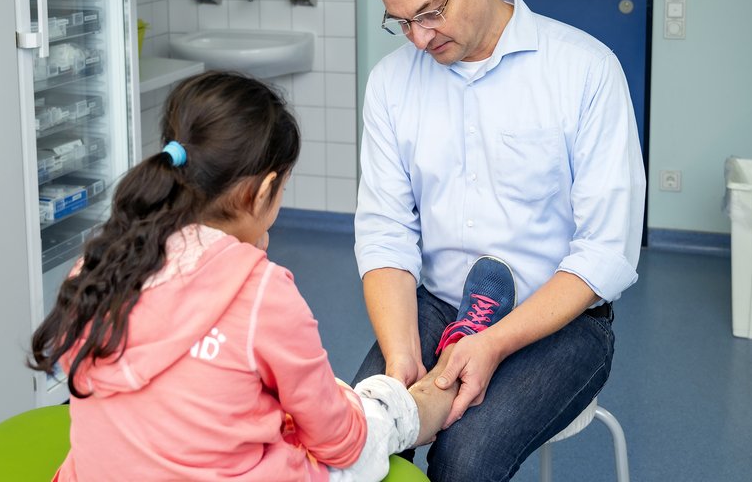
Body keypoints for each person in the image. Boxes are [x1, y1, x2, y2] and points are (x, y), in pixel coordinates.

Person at [29, 71, 465, 482]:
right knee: (374, 415)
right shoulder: (260, 293)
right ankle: (442, 383)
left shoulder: (101, 263)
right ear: (259, 194)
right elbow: (340, 442)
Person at [352, 0, 647, 482]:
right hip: (434, 303)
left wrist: (493, 344)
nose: (417, 38)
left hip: (560, 316)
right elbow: (386, 230)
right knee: (360, 442)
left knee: (464, 458)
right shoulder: (391, 84)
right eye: (402, 21)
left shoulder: (584, 71)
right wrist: (401, 354)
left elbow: (606, 252)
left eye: (430, 12)